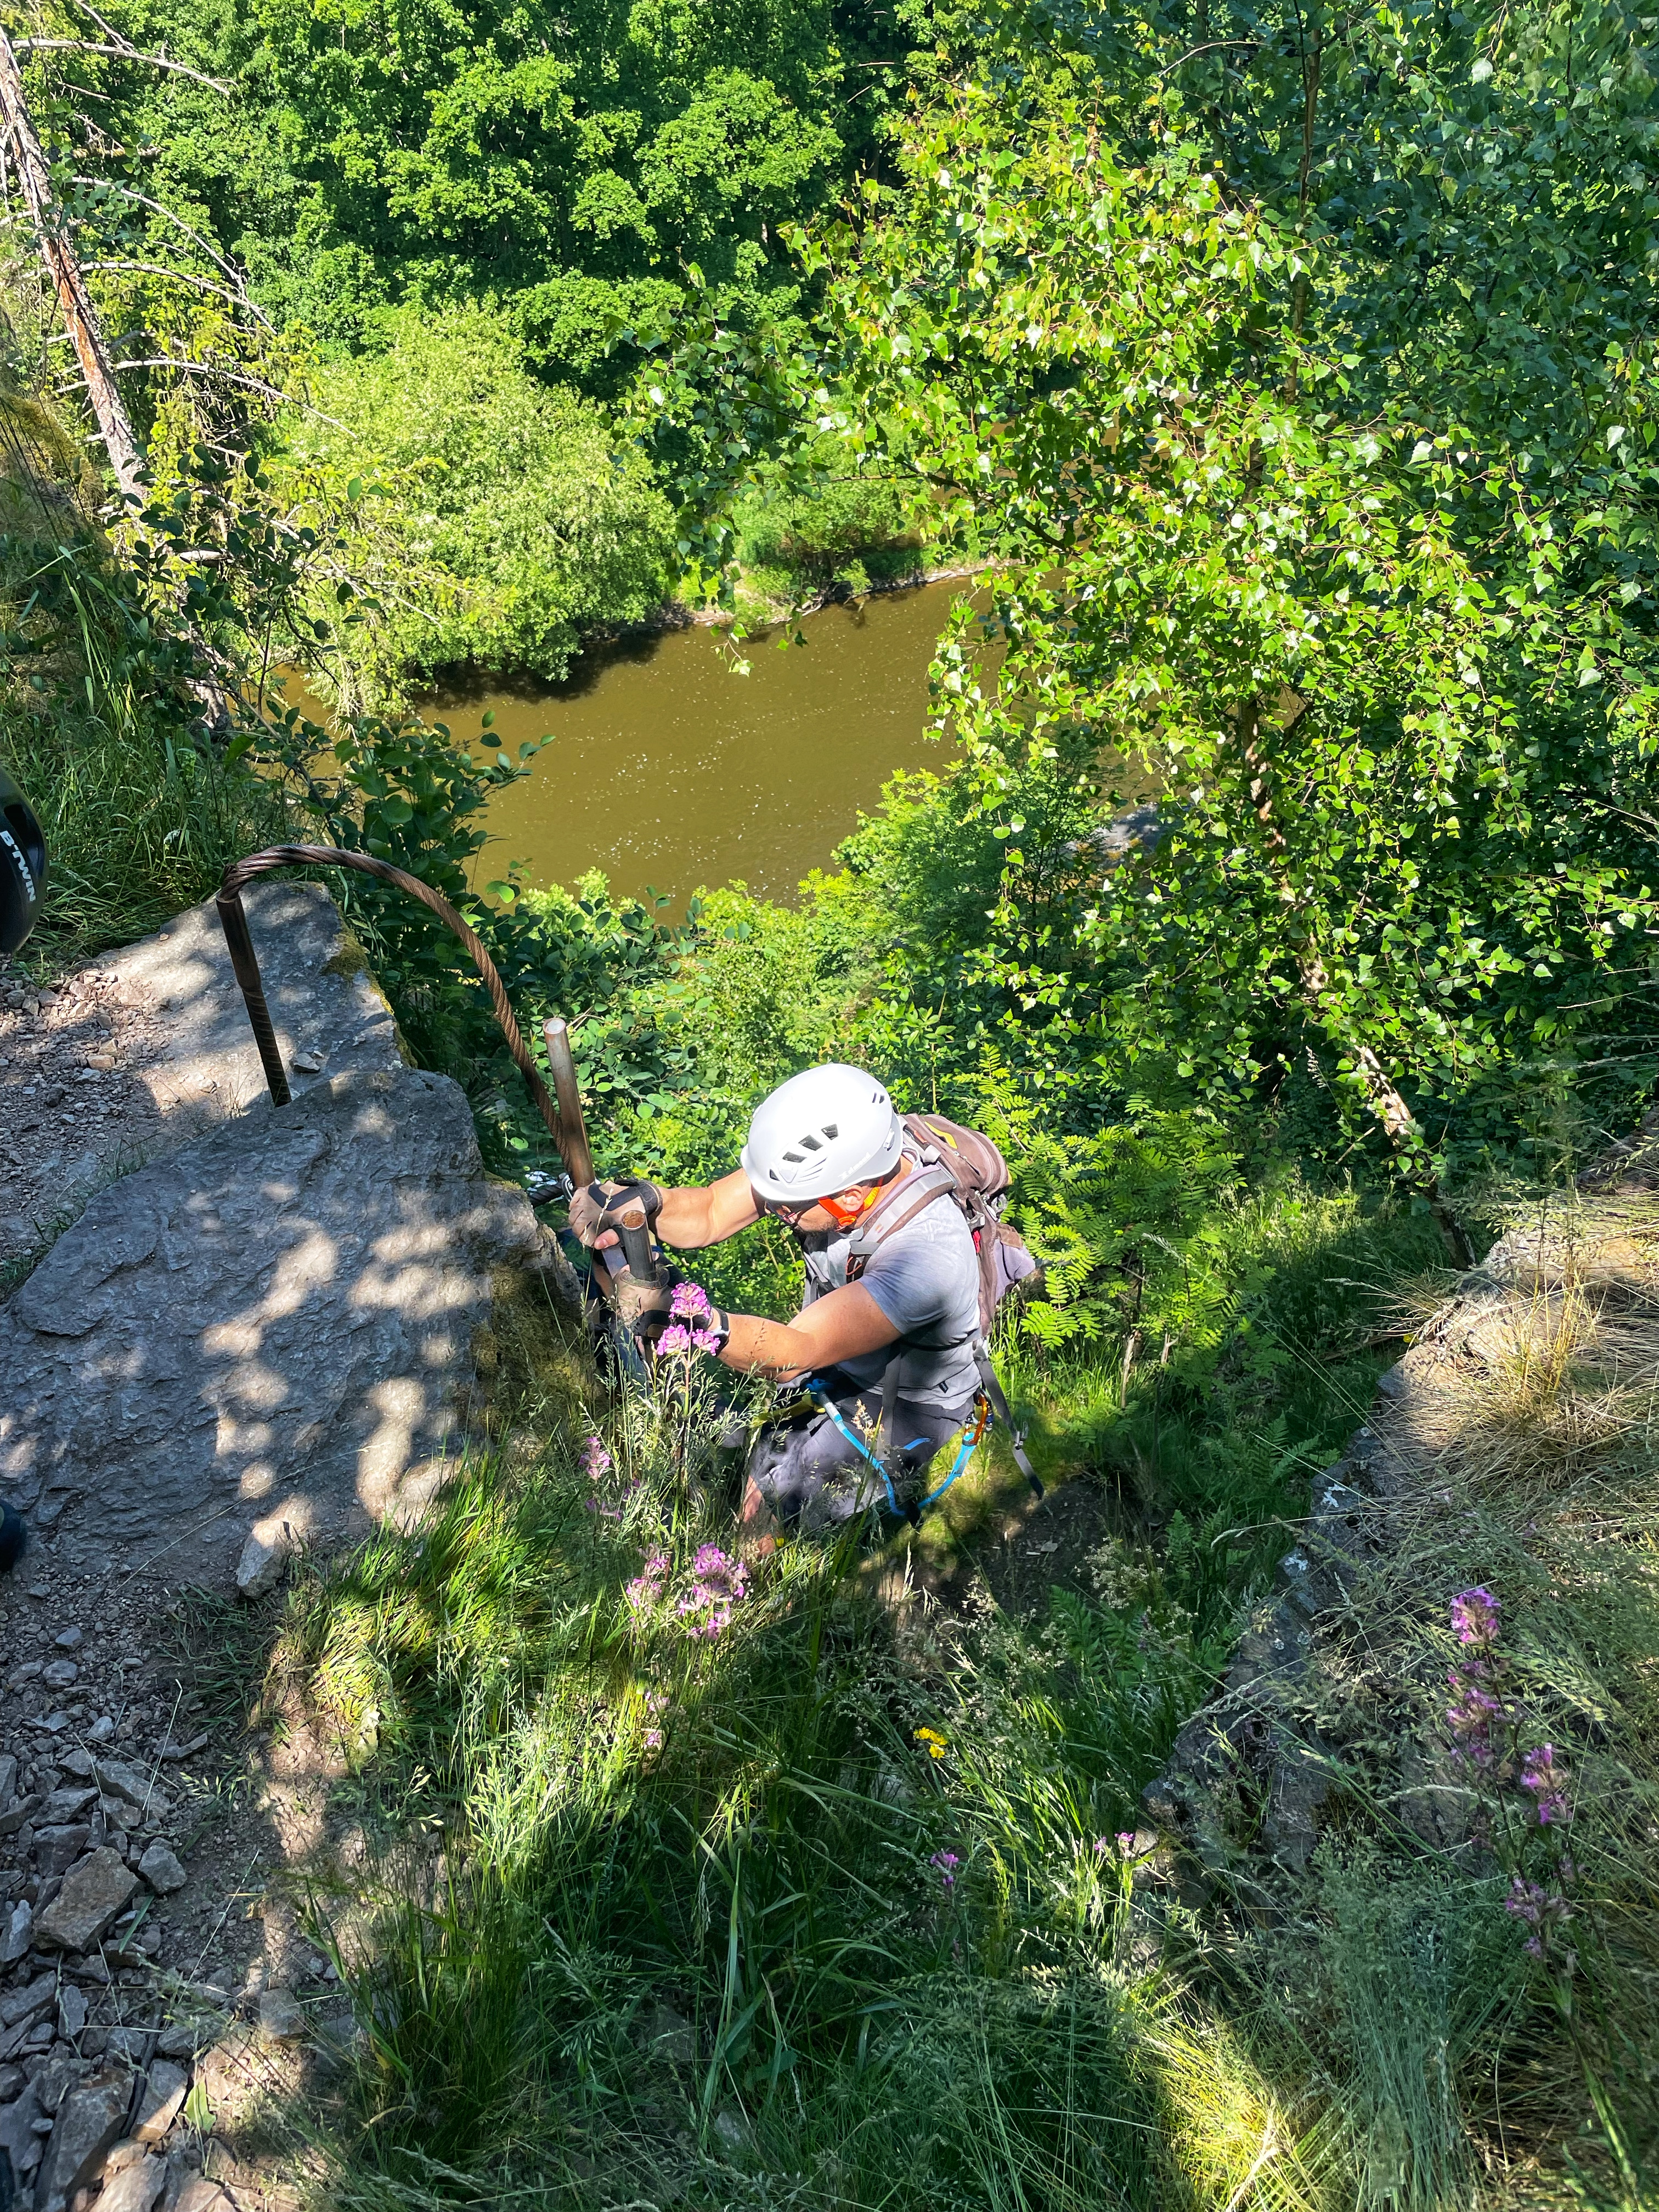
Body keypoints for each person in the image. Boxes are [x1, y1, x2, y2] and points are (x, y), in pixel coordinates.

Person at [568, 1063, 987, 1538]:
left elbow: (795, 1353)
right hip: (837, 1352)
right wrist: (646, 1201)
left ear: (850, 1198)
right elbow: (710, 1210)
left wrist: (687, 1314)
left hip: (904, 1397)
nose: (776, 1211)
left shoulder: (929, 1258)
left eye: (787, 1207)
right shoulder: (834, 1173)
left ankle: (760, 1591)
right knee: (765, 1469)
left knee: (781, 1510)